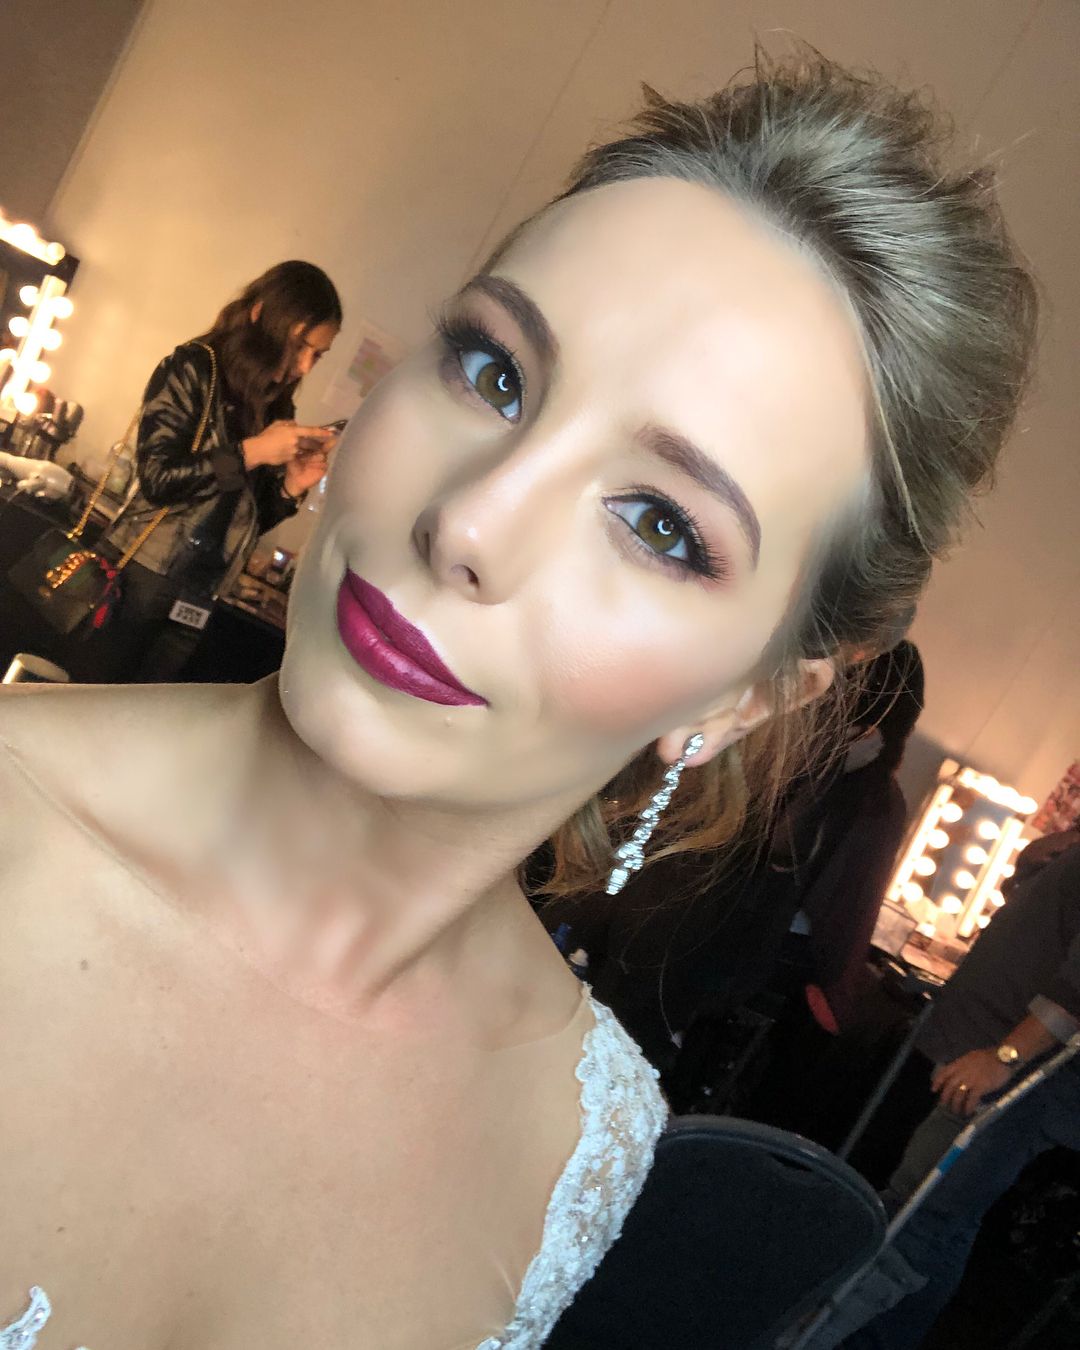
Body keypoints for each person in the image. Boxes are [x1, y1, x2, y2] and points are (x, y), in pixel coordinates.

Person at [0, 50, 1037, 1350]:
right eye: (494, 372)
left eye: (660, 524)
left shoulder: (580, 1148)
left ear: (749, 694)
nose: (471, 522)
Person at [836, 839, 1080, 1349]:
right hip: (998, 1056)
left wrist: (1005, 1057)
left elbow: (1074, 993)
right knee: (939, 1220)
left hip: (1021, 1075)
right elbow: (1032, 878)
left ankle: (842, 1336)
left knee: (920, 1214)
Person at [93, 260, 341, 681]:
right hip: (143, 575)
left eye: (317, 354)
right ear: (261, 315)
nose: (305, 366)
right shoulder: (194, 367)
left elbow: (241, 517)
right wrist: (251, 452)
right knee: (90, 696)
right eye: (300, 345)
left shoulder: (274, 403)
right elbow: (158, 479)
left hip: (203, 592)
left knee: (145, 711)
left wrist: (290, 488)